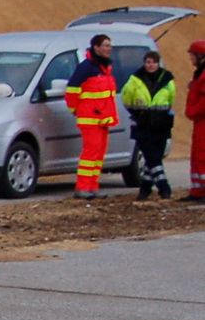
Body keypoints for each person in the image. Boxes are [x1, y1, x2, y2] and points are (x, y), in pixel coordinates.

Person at [65, 33, 119, 198]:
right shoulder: (86, 67)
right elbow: (72, 92)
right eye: (105, 45)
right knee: (90, 154)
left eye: (109, 46)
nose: (108, 49)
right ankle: (82, 188)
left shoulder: (104, 68)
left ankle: (92, 186)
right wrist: (77, 110)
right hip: (90, 119)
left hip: (103, 118)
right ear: (96, 47)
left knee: (98, 154)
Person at [122, 50, 175, 199]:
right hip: (142, 125)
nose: (150, 65)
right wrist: (137, 113)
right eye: (148, 62)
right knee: (153, 158)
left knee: (153, 159)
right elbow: (126, 98)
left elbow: (170, 100)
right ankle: (164, 186)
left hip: (161, 125)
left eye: (153, 62)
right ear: (144, 63)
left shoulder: (167, 80)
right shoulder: (135, 80)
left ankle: (145, 190)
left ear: (158, 64)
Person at [187, 39, 205, 202]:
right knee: (197, 154)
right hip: (199, 121)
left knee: (202, 155)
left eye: (192, 55)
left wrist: (193, 111)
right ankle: (197, 190)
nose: (191, 58)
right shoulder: (200, 73)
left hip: (202, 120)